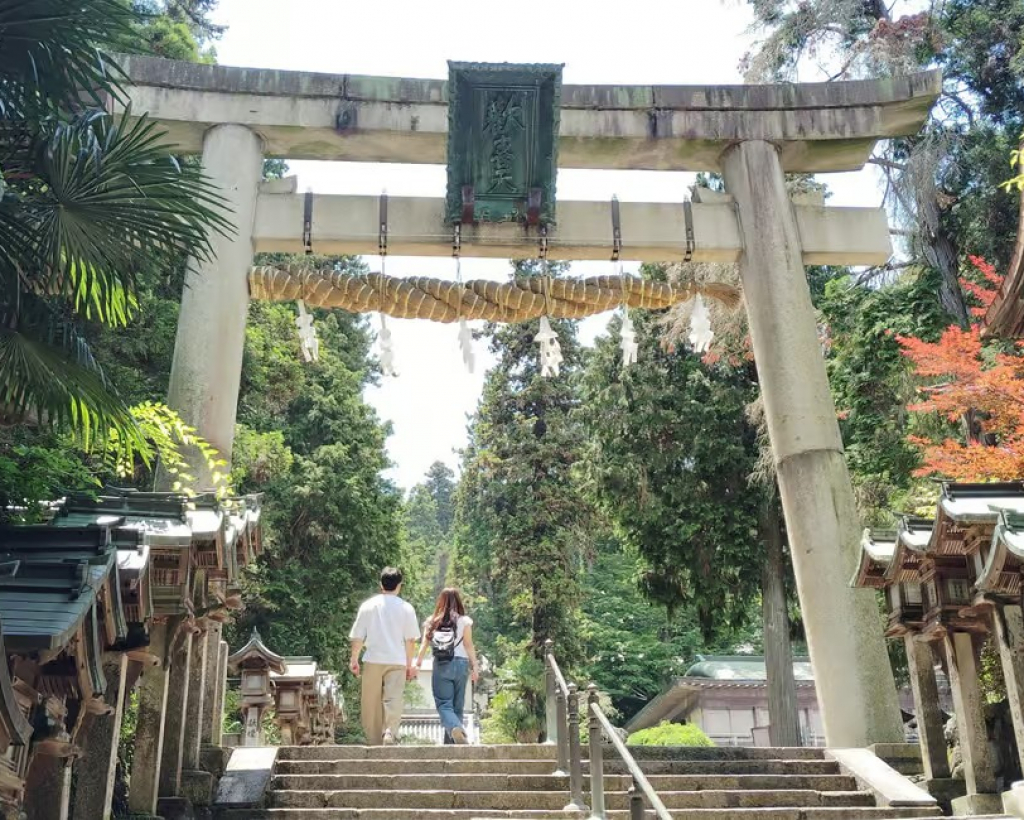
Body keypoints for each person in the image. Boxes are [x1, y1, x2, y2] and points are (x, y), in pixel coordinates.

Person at [348, 567, 420, 746]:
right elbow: (410, 640)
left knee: (371, 702)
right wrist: (409, 665)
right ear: (399, 585)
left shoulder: (368, 606)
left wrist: (354, 659)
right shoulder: (406, 608)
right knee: (393, 698)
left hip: (373, 659)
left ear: (381, 584)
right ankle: (389, 731)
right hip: (397, 660)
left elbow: (358, 636)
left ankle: (373, 742)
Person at [414, 587, 479, 744]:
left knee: (444, 705)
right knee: (457, 707)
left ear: (441, 601)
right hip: (461, 664)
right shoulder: (465, 621)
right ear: (458, 601)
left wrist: (417, 664)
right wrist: (475, 667)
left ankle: (456, 728)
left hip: (442, 664)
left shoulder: (432, 621)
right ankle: (455, 742)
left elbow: (424, 645)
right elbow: (468, 645)